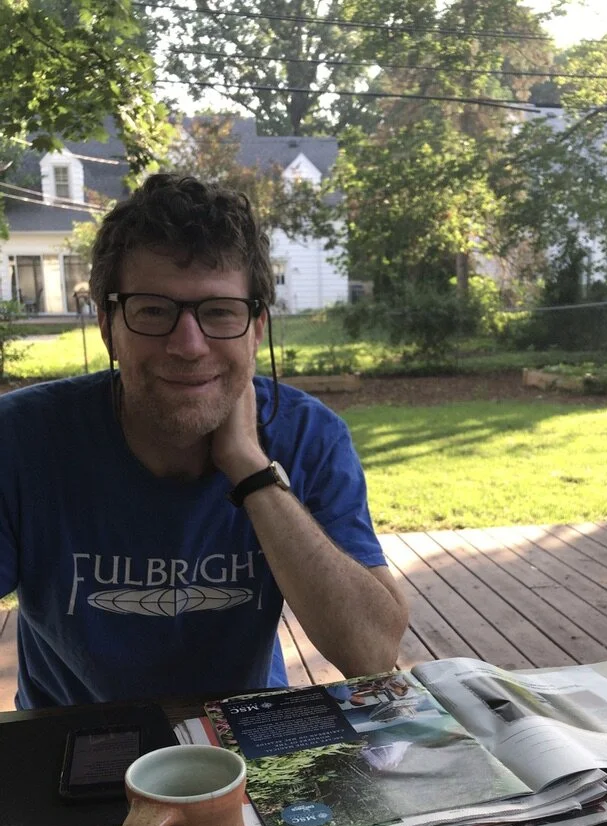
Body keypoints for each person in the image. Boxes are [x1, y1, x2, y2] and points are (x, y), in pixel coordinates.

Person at [0, 174, 408, 709]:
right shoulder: (22, 439)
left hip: (247, 735)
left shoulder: (309, 436)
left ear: (256, 327)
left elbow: (373, 652)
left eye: (218, 312)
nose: (189, 346)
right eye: (152, 310)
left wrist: (251, 469)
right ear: (107, 325)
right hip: (74, 740)